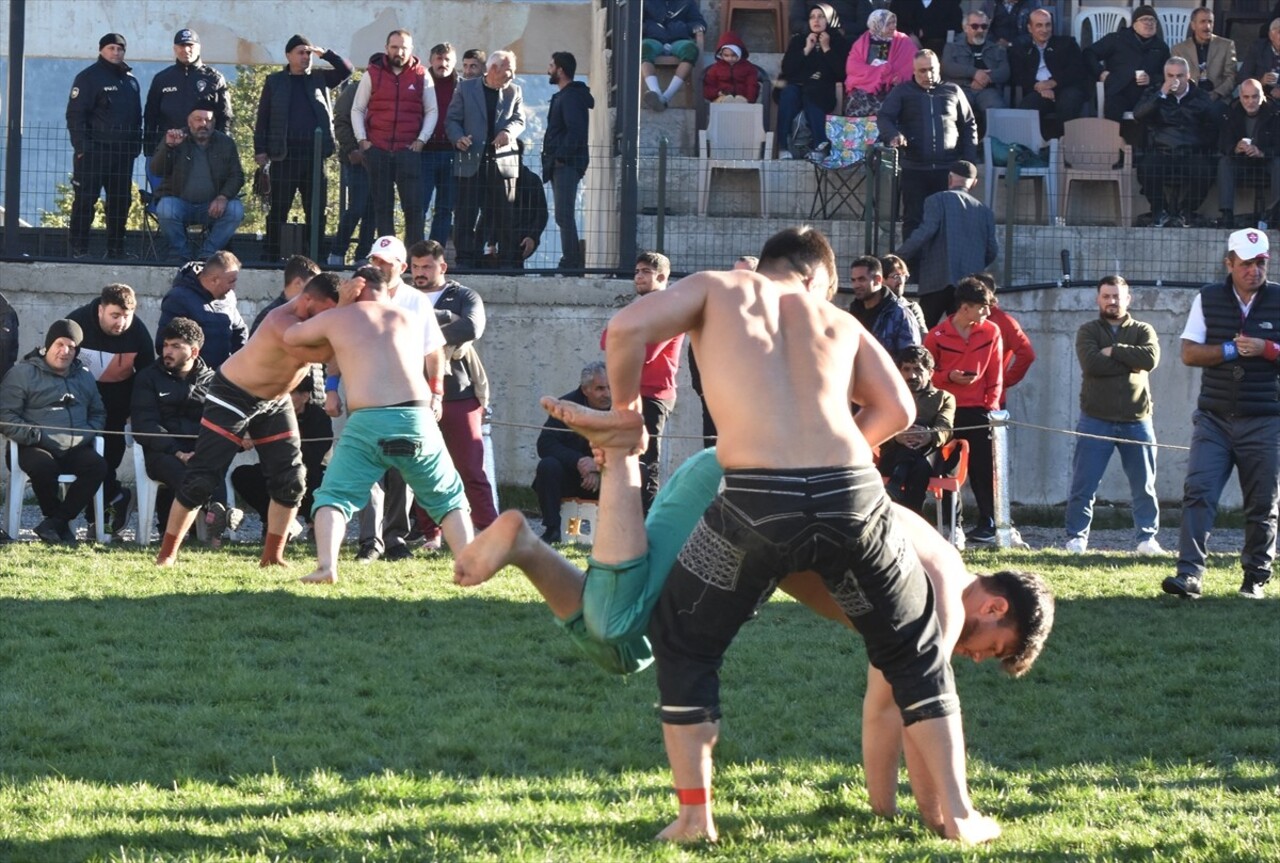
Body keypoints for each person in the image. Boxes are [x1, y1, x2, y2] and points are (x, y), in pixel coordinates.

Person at [455, 406, 1054, 839]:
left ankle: (530, 549)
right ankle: (620, 464)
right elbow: (900, 706)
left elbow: (891, 705)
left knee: (625, 649)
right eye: (995, 650)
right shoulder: (944, 601)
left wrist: (889, 812)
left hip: (751, 501)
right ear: (995, 607)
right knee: (620, 628)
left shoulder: (943, 568)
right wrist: (936, 816)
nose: (978, 660)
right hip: (738, 488)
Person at [593, 225, 1001, 844]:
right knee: (916, 654)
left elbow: (625, 330)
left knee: (684, 643)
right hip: (853, 498)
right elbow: (900, 409)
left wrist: (626, 416)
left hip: (756, 500)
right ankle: (962, 817)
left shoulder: (713, 290)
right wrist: (834, 454)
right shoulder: (837, 322)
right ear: (817, 278)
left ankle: (695, 816)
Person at [282, 266, 472, 585]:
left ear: (357, 287)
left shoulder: (342, 316)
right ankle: (469, 566)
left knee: (333, 497)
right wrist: (437, 392)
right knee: (449, 499)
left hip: (368, 421)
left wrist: (342, 305)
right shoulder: (410, 316)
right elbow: (436, 353)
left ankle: (327, 567)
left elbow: (292, 336)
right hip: (417, 418)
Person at [153, 273, 341, 568]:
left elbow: (335, 348)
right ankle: (166, 555)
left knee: (291, 481)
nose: (332, 319)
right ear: (307, 300)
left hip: (275, 399)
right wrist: (353, 314)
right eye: (329, 312)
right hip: (233, 394)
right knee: (201, 478)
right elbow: (321, 351)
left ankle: (272, 556)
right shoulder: (281, 320)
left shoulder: (319, 317)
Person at [1165, 229, 1280, 601]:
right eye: (1246, 263)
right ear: (1228, 263)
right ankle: (1189, 576)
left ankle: (1255, 578)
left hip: (1265, 419)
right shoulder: (1208, 298)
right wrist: (1232, 350)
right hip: (1213, 419)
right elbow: (1189, 353)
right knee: (1198, 493)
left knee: (1263, 502)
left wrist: (1267, 349)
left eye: (1260, 262)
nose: (1254, 270)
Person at [344, 236, 449, 564]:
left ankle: (396, 538)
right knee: (367, 469)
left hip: (406, 397)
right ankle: (369, 541)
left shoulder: (417, 301)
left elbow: (434, 352)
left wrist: (437, 394)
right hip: (364, 395)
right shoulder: (355, 297)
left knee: (402, 468)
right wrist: (333, 388)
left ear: (401, 268)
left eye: (385, 262)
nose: (377, 266)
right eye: (375, 260)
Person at [1064, 276, 1162, 555]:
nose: (1112, 301)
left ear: (1128, 299)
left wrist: (1115, 351)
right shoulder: (1088, 331)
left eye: (1117, 296)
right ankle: (1076, 538)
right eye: (1107, 296)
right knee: (1084, 484)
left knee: (1144, 486)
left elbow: (1150, 360)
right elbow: (1092, 364)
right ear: (1098, 299)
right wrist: (1130, 363)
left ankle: (1146, 539)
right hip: (1095, 419)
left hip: (1137, 420)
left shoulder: (1143, 330)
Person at [407, 239, 497, 537]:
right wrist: (444, 323)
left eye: (427, 267)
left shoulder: (463, 295)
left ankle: (489, 530)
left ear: (442, 266)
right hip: (413, 390)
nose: (420, 273)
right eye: (415, 266)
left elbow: (471, 326)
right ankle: (430, 533)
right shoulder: (405, 296)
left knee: (470, 466)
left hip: (459, 391)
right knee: (422, 467)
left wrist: (422, 334)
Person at [0, 320, 106, 545]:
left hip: (74, 446)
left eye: (71, 346)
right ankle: (57, 523)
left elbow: (98, 413)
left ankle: (56, 522)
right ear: (48, 345)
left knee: (97, 466)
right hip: (32, 447)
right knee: (44, 467)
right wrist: (36, 435)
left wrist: (85, 434)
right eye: (60, 344)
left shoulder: (84, 376)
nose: (65, 351)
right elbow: (6, 416)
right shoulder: (22, 373)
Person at [130, 317, 234, 541]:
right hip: (162, 453)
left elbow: (221, 423)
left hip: (201, 451)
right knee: (189, 472)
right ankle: (218, 517)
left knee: (210, 466)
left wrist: (201, 451)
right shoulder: (148, 378)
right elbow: (144, 424)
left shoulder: (213, 381)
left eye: (176, 346)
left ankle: (213, 528)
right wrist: (177, 451)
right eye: (166, 345)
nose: (167, 351)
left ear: (194, 352)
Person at [253, 35, 352, 262]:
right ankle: (271, 253)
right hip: (283, 155)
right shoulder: (274, 81)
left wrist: (325, 54)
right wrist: (260, 150)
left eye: (308, 53)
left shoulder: (319, 78)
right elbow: (263, 118)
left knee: (316, 210)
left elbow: (346, 70)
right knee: (278, 207)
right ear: (288, 55)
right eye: (301, 52)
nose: (305, 57)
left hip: (314, 156)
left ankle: (314, 255)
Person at [66, 283, 154, 534]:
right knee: (88, 463)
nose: (121, 323)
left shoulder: (138, 332)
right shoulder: (77, 323)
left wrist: (136, 411)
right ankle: (115, 498)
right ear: (101, 309)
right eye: (115, 316)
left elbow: (148, 375)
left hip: (118, 409)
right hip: (80, 408)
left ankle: (101, 518)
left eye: (127, 317)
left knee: (108, 463)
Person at [600, 252, 684, 512]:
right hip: (631, 392)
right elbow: (606, 341)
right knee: (623, 456)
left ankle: (647, 518)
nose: (638, 276)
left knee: (648, 458)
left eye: (645, 271)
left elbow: (646, 354)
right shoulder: (638, 308)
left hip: (655, 395)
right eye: (637, 271)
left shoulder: (670, 310)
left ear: (662, 276)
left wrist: (624, 340)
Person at [924, 277, 1003, 545]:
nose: (988, 313)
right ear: (965, 308)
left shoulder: (991, 331)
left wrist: (992, 407)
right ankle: (952, 524)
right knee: (947, 466)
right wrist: (949, 377)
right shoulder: (936, 336)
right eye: (983, 307)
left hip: (979, 409)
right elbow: (925, 375)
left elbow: (996, 371)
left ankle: (988, 523)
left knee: (983, 468)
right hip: (947, 410)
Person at [877, 51, 978, 245]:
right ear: (913, 71)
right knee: (913, 221)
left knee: (948, 221)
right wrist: (894, 135)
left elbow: (969, 125)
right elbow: (884, 117)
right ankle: (910, 269)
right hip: (914, 168)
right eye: (922, 71)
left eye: (931, 69)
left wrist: (968, 165)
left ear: (939, 68)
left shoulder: (953, 90)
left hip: (948, 170)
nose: (927, 75)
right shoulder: (902, 91)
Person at [352, 29, 438, 245]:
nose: (399, 51)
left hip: (408, 151)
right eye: (395, 47)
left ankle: (414, 259)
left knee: (414, 208)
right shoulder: (371, 74)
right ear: (386, 48)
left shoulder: (422, 75)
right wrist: (363, 140)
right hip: (377, 150)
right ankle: (387, 258)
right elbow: (357, 109)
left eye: (404, 48)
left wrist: (421, 140)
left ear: (411, 50)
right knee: (382, 208)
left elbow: (432, 110)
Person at [65, 33, 142, 260]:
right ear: (101, 50)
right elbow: (75, 115)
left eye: (120, 49)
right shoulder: (88, 78)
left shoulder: (130, 81)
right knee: (86, 200)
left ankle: (116, 250)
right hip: (94, 151)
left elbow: (138, 117)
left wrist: (135, 146)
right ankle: (79, 249)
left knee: (120, 202)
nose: (116, 53)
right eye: (111, 48)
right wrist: (82, 148)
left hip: (123, 154)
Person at [893, 160, 997, 326]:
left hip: (937, 280)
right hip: (969, 287)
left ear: (949, 179)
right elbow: (992, 250)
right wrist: (975, 265)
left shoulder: (936, 200)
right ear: (974, 183)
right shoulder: (985, 212)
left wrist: (898, 257)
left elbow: (925, 233)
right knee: (962, 336)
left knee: (923, 332)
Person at [446, 50, 525, 269]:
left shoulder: (514, 91)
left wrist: (508, 133)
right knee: (466, 212)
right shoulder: (465, 88)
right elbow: (452, 119)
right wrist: (458, 138)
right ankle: (465, 260)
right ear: (493, 70)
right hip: (471, 159)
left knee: (504, 213)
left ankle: (509, 261)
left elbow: (519, 119)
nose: (513, 74)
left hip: (503, 162)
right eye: (509, 69)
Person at [232, 378, 331, 540]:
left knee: (313, 478)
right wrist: (244, 439)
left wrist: (290, 432)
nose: (283, 397)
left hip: (307, 468)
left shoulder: (318, 417)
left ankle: (313, 523)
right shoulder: (268, 414)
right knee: (242, 475)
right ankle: (271, 522)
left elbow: (315, 455)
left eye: (291, 392)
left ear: (305, 396)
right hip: (272, 469)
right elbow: (239, 444)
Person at [149, 104, 246, 261]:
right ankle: (181, 254)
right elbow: (156, 170)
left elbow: (237, 176)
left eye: (208, 120)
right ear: (189, 122)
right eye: (198, 119)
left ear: (214, 123)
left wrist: (223, 197)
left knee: (235, 210)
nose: (203, 124)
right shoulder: (176, 138)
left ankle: (208, 254)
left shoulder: (225, 143)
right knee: (165, 208)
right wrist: (169, 148)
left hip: (212, 206)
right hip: (180, 203)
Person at [1134, 57, 1219, 228]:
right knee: (1147, 168)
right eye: (1170, 75)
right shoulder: (1155, 92)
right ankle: (1159, 211)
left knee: (1205, 170)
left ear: (1188, 75)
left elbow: (1214, 125)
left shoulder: (1200, 97)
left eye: (1179, 75)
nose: (1175, 80)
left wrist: (1200, 142)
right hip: (1161, 149)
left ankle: (1186, 212)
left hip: (1191, 151)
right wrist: (1161, 95)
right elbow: (1138, 115)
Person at [534, 362, 611, 543]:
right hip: (573, 477)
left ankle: (633, 533)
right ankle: (552, 529)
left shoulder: (624, 408)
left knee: (641, 470)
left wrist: (599, 466)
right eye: (600, 388)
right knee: (548, 466)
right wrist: (579, 461)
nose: (607, 394)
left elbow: (635, 450)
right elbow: (545, 444)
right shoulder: (565, 406)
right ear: (585, 390)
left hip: (610, 478)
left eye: (610, 387)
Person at [878, 345, 956, 516]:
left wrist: (928, 436)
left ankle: (897, 482)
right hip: (893, 454)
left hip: (927, 453)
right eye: (906, 369)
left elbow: (945, 427)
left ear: (930, 373)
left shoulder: (944, 397)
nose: (911, 376)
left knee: (921, 462)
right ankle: (913, 516)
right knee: (914, 458)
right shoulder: (889, 395)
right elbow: (879, 426)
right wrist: (897, 437)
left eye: (918, 370)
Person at [777, 4, 850, 158]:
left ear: (829, 19)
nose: (816, 20)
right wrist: (806, 50)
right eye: (812, 17)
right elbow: (787, 69)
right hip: (798, 86)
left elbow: (842, 73)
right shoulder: (799, 40)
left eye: (821, 16)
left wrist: (826, 48)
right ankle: (782, 146)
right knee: (789, 93)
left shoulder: (838, 41)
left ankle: (820, 145)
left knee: (812, 94)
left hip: (822, 89)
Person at [143, 28, 232, 152]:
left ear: (199, 48)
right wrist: (149, 148)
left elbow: (225, 116)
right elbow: (150, 115)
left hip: (203, 148)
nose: (186, 50)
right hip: (168, 146)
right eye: (181, 46)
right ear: (175, 49)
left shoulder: (213, 78)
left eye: (190, 45)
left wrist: (222, 147)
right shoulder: (162, 78)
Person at [544, 52, 594, 272]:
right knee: (562, 214)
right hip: (563, 163)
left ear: (561, 70)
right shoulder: (566, 95)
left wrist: (561, 157)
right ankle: (570, 260)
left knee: (564, 213)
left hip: (567, 164)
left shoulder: (571, 97)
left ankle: (571, 262)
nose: (549, 69)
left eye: (552, 65)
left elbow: (576, 130)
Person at [157, 251, 248, 370]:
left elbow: (239, 330)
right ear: (214, 280)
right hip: (190, 380)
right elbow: (163, 343)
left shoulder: (228, 298)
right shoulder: (179, 299)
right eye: (231, 281)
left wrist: (238, 363)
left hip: (222, 377)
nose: (234, 287)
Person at [1009, 9, 1088, 137]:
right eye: (1039, 25)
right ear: (1030, 28)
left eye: (1048, 25)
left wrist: (1053, 83)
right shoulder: (1021, 48)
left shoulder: (1067, 44)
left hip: (1065, 87)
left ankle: (1061, 146)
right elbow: (1017, 74)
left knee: (1069, 102)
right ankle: (1032, 149)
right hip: (1038, 90)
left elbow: (1077, 70)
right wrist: (1038, 86)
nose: (1044, 30)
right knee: (1028, 107)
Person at [1082, 5, 1169, 123]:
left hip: (1147, 94)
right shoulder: (1117, 39)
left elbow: (1168, 74)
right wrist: (1100, 72)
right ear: (1134, 24)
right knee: (1112, 108)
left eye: (1152, 20)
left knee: (1158, 108)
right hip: (1119, 90)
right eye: (1144, 19)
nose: (1149, 23)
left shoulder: (1161, 47)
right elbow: (1089, 53)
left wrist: (1151, 79)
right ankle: (1111, 140)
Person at [1217, 79, 1280, 228]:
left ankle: (1276, 213)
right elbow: (1223, 144)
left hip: (1267, 160)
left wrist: (1262, 153)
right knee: (1225, 163)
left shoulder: (1275, 114)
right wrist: (1235, 148)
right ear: (1240, 96)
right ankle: (1227, 214)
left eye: (1254, 97)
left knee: (1278, 164)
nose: (1250, 101)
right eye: (1246, 97)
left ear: (1262, 96)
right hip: (1241, 161)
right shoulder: (1231, 113)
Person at [326, 80, 376, 267]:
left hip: (380, 160)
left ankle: (363, 255)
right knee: (357, 206)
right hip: (355, 159)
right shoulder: (355, 89)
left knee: (374, 210)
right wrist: (351, 149)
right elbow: (341, 120)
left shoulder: (390, 87)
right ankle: (337, 251)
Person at [940, 10, 1010, 130]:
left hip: (987, 90)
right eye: (975, 26)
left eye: (984, 26)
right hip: (961, 89)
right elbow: (946, 67)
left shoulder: (996, 48)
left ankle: (996, 146)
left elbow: (1005, 72)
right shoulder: (952, 46)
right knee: (953, 111)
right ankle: (957, 147)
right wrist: (974, 73)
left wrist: (986, 78)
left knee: (999, 111)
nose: (980, 30)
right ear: (966, 28)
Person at [843, 9, 916, 117]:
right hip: (864, 85)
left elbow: (912, 64)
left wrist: (896, 76)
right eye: (888, 24)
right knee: (857, 99)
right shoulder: (861, 42)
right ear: (875, 25)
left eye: (893, 22)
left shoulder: (903, 41)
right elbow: (852, 67)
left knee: (891, 102)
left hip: (891, 87)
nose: (893, 27)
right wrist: (878, 72)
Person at [422, 43, 460, 246]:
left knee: (445, 208)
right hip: (424, 152)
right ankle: (415, 251)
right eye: (439, 59)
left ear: (454, 62)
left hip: (452, 153)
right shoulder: (421, 84)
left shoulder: (462, 87)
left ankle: (435, 253)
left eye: (447, 60)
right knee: (419, 205)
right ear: (431, 60)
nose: (443, 63)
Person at [848, 254, 921, 355]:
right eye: (853, 280)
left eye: (861, 279)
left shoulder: (900, 315)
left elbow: (911, 359)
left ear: (878, 280)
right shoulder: (851, 315)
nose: (856, 285)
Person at [640, 0, 708, 110]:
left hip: (678, 39)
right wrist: (649, 27)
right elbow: (637, 21)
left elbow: (699, 22)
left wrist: (684, 28)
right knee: (644, 48)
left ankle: (665, 97)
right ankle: (656, 92)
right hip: (654, 38)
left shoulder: (687, 2)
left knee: (690, 49)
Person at [1171, 7, 1237, 106]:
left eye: (1210, 22)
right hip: (1190, 100)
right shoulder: (1179, 49)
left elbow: (1232, 76)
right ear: (1193, 25)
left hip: (1219, 99)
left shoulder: (1226, 45)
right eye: (1203, 22)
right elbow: (1176, 78)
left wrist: (1216, 93)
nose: (1207, 26)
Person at [251, 256, 322, 335]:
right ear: (298, 283)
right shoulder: (269, 317)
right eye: (313, 285)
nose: (316, 291)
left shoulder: (311, 313)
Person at [891, 0, 964, 57]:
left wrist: (925, 31)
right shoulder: (900, 2)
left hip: (938, 46)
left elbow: (956, 25)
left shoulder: (950, 2)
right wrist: (909, 35)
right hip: (905, 43)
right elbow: (893, 21)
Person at [703, 33, 760, 105]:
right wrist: (717, 93)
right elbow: (708, 86)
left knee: (741, 102)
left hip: (743, 98)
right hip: (721, 98)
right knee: (724, 101)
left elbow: (752, 85)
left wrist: (750, 100)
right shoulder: (715, 68)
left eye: (734, 55)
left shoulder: (748, 68)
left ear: (739, 53)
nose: (730, 58)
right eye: (726, 55)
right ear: (721, 54)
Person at [880, 253, 928, 331]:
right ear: (881, 280)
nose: (901, 281)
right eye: (896, 276)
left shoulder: (911, 307)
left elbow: (923, 337)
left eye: (904, 276)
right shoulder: (871, 306)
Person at [1240, 19, 1280, 102]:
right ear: (1271, 35)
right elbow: (1242, 76)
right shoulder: (1258, 49)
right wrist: (1261, 81)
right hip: (1262, 98)